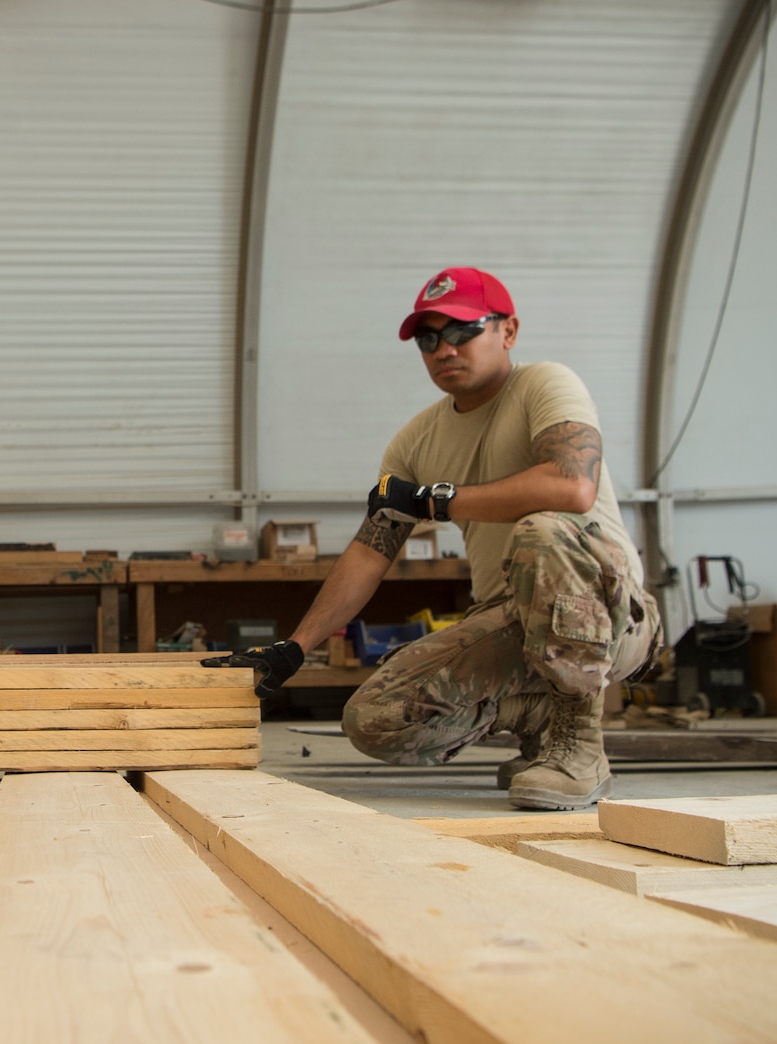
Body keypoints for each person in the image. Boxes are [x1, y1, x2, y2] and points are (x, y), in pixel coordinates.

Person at [206, 267, 660, 810]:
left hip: (613, 616)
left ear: (508, 331)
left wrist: (434, 500)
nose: (445, 348)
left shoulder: (545, 384)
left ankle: (581, 748)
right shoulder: (415, 441)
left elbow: (572, 485)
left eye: (464, 330)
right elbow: (370, 552)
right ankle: (544, 717)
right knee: (374, 719)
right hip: (509, 618)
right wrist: (294, 648)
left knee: (540, 531)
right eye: (429, 338)